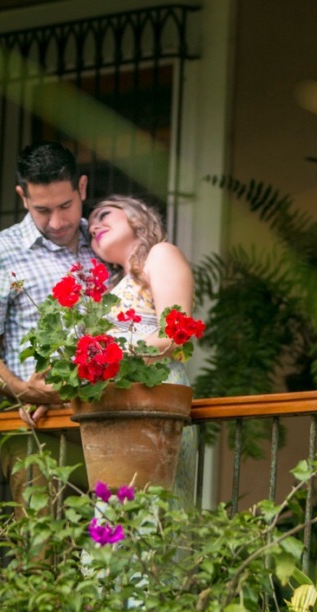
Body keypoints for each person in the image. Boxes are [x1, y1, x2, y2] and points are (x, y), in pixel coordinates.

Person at [0, 141, 99, 508]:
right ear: (23, 197)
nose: (56, 222)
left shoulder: (105, 242)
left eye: (65, 206)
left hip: (105, 422)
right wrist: (23, 390)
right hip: (36, 427)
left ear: (82, 188)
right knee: (43, 555)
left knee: (116, 554)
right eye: (42, 210)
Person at [88, 195, 198, 508]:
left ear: (137, 216)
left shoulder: (160, 254)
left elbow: (176, 334)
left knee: (152, 506)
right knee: (118, 509)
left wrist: (111, 351)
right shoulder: (116, 284)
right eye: (91, 224)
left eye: (104, 213)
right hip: (121, 398)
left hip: (156, 389)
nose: (94, 225)